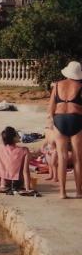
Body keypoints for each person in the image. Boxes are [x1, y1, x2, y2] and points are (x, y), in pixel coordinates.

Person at [48, 61, 82, 198]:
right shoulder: (80, 86)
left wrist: (51, 123)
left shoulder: (57, 85)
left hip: (59, 120)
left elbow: (51, 107)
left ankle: (62, 192)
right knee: (77, 158)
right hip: (76, 120)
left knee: (62, 158)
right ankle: (78, 192)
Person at [0, 126, 32, 193]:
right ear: (13, 138)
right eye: (17, 133)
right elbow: (26, 171)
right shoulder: (25, 150)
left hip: (4, 184)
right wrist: (27, 189)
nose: (19, 135)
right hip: (18, 184)